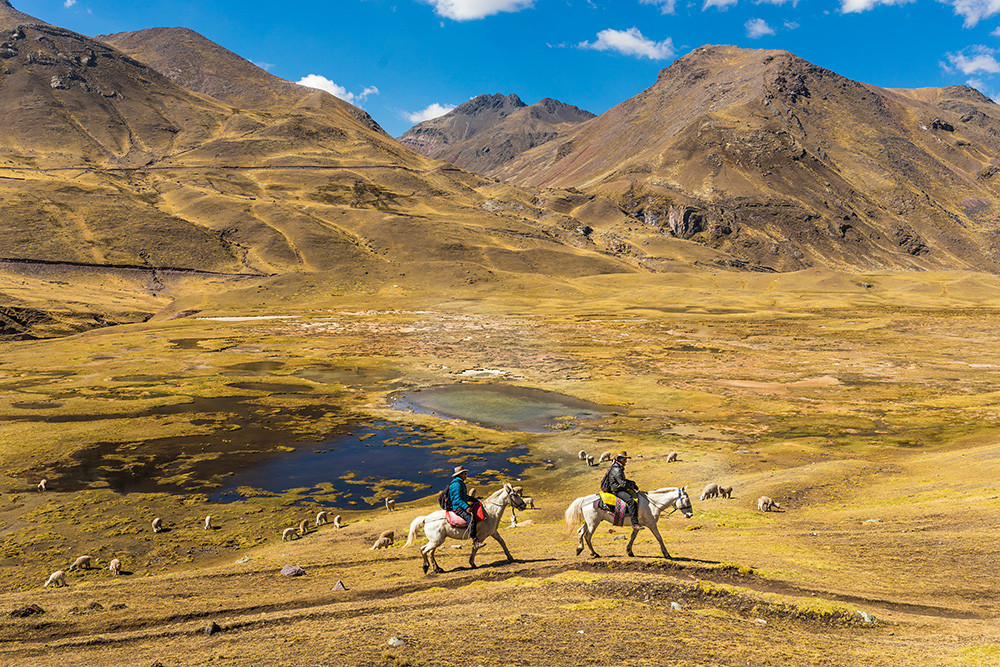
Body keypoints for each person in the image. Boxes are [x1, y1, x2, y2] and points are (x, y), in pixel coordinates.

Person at [448, 466, 484, 548]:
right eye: (464, 473)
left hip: (460, 505)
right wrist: (466, 507)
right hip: (458, 507)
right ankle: (475, 541)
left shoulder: (459, 483)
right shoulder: (457, 485)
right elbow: (458, 499)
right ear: (460, 474)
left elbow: (464, 497)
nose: (466, 475)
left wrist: (475, 500)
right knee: (471, 519)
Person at [606, 451, 643, 529]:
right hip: (617, 490)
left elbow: (622, 480)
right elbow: (623, 483)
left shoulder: (618, 468)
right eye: (625, 460)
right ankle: (634, 523)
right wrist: (632, 486)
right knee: (631, 502)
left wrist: (631, 482)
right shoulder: (617, 469)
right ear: (621, 460)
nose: (626, 461)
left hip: (619, 488)